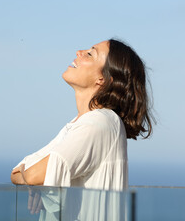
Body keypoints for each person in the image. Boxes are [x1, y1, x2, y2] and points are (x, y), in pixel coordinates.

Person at [10, 38, 153, 192]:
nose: (79, 52)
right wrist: (32, 176)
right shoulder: (80, 123)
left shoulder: (100, 122)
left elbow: (33, 176)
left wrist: (33, 178)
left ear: (102, 79)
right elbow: (15, 173)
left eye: (90, 54)